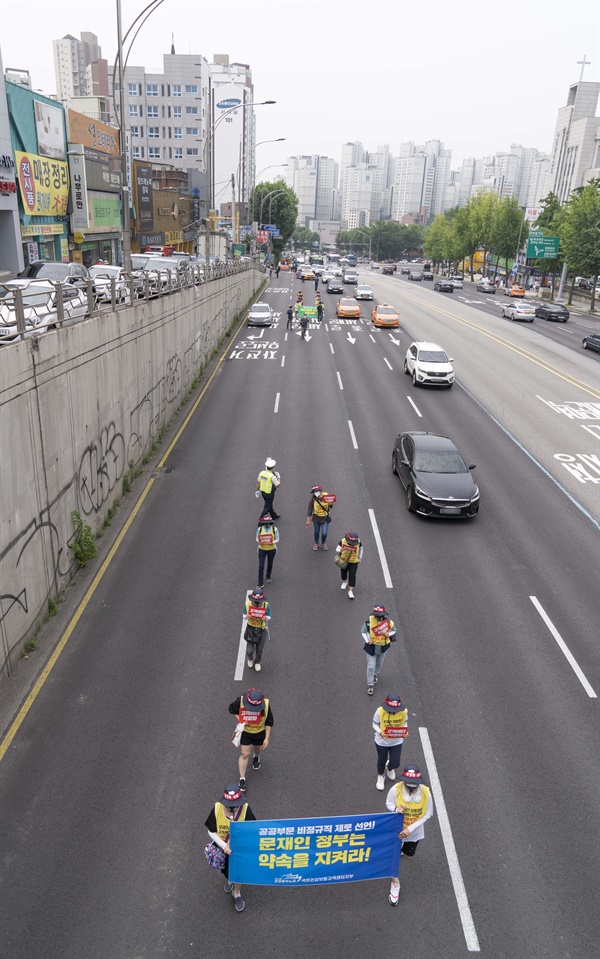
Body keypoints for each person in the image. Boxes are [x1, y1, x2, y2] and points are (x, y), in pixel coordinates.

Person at [386, 764, 434, 906]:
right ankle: (395, 883)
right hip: (396, 830)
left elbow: (428, 814)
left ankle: (402, 850)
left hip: (414, 831)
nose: (411, 785)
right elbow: (388, 803)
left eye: (414, 783)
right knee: (394, 856)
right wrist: (396, 809)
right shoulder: (396, 789)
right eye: (409, 782)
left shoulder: (426, 793)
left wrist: (410, 829)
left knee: (409, 853)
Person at [204, 783, 256, 912]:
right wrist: (224, 846)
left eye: (236, 806)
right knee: (227, 871)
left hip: (240, 850)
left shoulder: (245, 809)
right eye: (229, 806)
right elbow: (211, 831)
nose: (233, 809)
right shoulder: (216, 809)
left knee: (239, 874)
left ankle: (236, 892)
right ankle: (229, 880)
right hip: (224, 850)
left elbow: (253, 830)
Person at [229, 687, 274, 793]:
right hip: (246, 732)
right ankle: (242, 779)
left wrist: (266, 738)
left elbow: (269, 722)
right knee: (244, 754)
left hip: (259, 733)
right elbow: (232, 710)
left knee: (258, 748)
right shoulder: (240, 701)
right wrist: (242, 719)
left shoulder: (266, 705)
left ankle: (256, 757)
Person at [372, 693, 408, 790]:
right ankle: (380, 776)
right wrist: (380, 732)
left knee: (395, 763)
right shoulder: (379, 711)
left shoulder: (404, 712)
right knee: (381, 760)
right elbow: (374, 724)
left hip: (397, 741)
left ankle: (390, 767)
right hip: (382, 742)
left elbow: (404, 723)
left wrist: (405, 732)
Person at [361, 605, 397, 695]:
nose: (377, 616)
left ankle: (375, 675)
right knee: (371, 666)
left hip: (383, 647)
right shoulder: (369, 621)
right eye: (376, 614)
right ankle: (370, 685)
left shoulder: (389, 622)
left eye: (379, 614)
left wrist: (388, 634)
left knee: (379, 664)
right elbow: (363, 631)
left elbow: (394, 630)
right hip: (371, 647)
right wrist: (367, 640)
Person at [243, 587, 271, 672]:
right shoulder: (248, 604)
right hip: (251, 630)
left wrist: (266, 618)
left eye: (259, 603)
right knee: (249, 650)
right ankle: (250, 658)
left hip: (262, 630)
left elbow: (269, 615)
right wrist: (246, 616)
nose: (257, 604)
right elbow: (244, 615)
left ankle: (257, 662)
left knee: (259, 649)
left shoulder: (266, 605)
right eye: (255, 602)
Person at [336, 531, 362, 600]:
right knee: (343, 573)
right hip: (344, 560)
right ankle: (344, 582)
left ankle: (350, 591)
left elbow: (361, 548)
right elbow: (337, 549)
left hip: (354, 561)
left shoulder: (359, 542)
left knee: (352, 575)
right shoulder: (343, 541)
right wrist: (341, 550)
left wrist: (360, 557)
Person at [305, 484, 333, 550]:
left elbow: (331, 506)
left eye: (316, 492)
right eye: (314, 492)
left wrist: (330, 504)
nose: (315, 493)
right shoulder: (314, 498)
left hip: (325, 517)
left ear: (320, 491)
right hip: (316, 517)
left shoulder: (326, 496)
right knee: (316, 531)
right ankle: (316, 543)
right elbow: (310, 508)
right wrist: (308, 519)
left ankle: (323, 543)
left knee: (324, 532)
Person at [256, 513, 279, 587]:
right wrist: (260, 541)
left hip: (271, 549)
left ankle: (268, 575)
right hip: (262, 549)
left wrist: (271, 542)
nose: (267, 524)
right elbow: (257, 538)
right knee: (261, 566)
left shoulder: (274, 529)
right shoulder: (260, 529)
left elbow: (278, 539)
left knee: (270, 563)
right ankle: (260, 582)